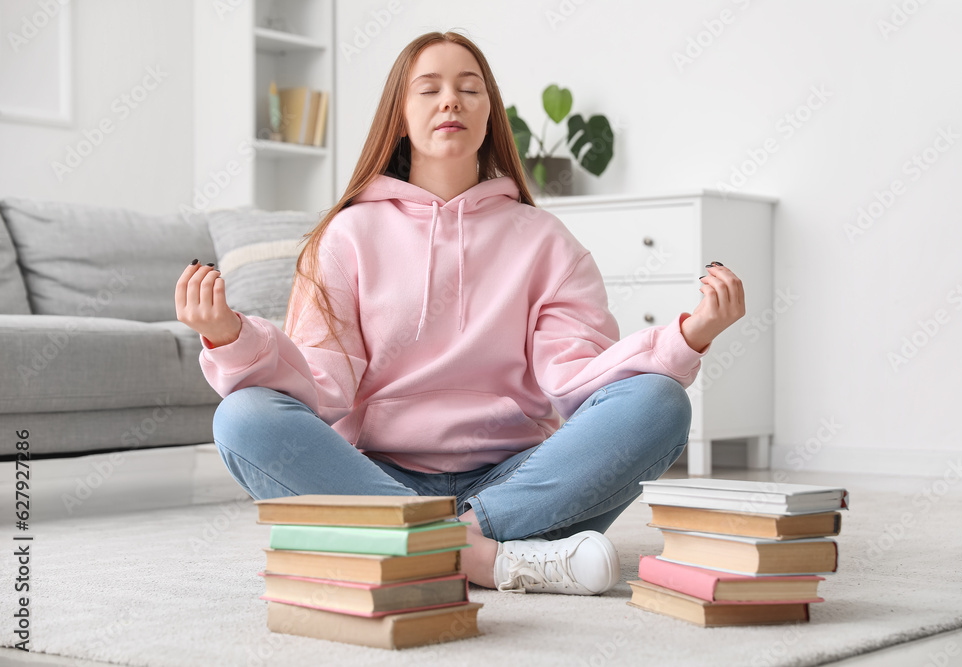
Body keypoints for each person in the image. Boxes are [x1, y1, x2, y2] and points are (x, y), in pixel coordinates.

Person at [175, 31, 745, 596]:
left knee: (660, 403)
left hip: (520, 483)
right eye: (429, 90)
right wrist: (231, 338)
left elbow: (577, 381)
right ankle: (495, 559)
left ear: (489, 112)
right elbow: (323, 388)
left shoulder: (545, 240)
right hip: (378, 478)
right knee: (243, 417)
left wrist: (685, 339)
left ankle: (432, 546)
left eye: (468, 88)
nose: (450, 100)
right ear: (399, 117)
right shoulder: (347, 235)